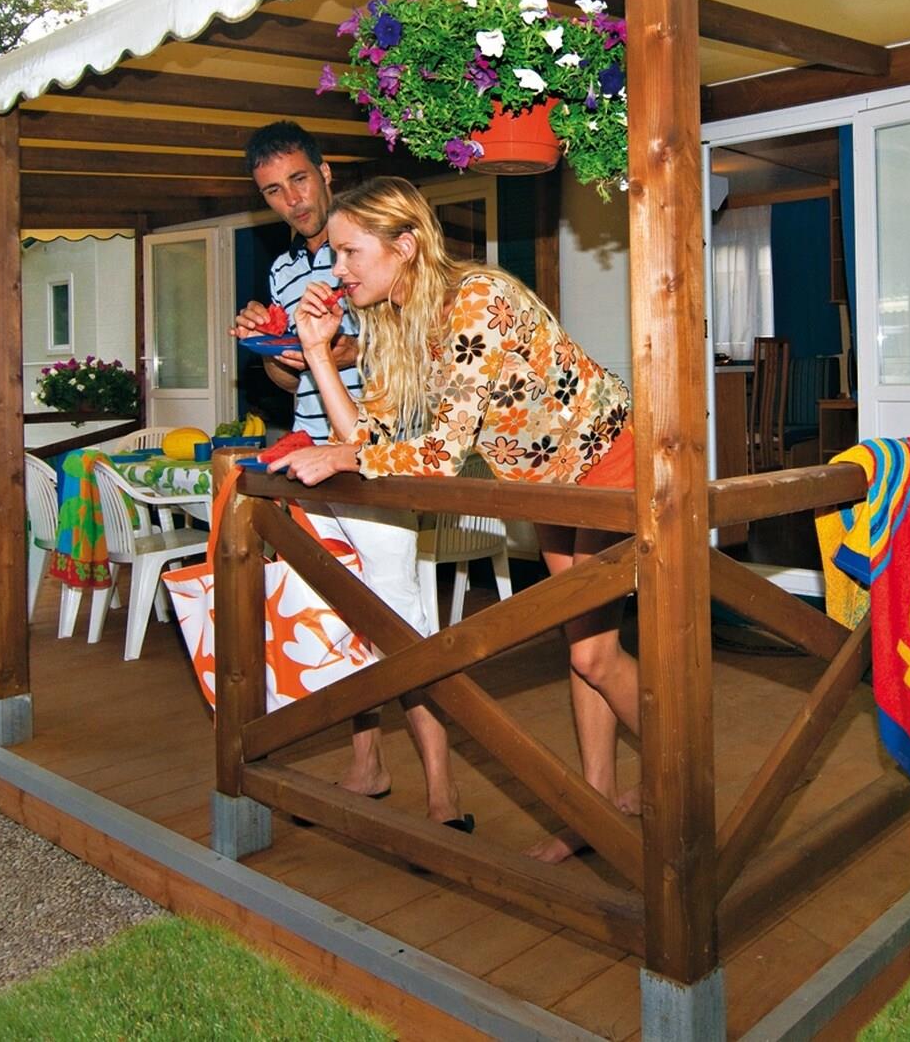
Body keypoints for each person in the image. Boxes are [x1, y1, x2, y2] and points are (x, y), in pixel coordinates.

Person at [272, 176, 640, 864]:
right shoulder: (391, 321)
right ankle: (597, 808)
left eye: (351, 252)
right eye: (336, 255)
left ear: (404, 246)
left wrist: (349, 454)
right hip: (544, 484)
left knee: (593, 653)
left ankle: (686, 783)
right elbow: (369, 438)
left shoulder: (476, 299)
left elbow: (439, 455)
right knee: (585, 648)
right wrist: (318, 351)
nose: (338, 268)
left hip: (607, 460)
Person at [230, 124, 466, 832]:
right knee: (340, 612)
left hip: (376, 457)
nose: (292, 199)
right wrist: (270, 346)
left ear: (326, 170)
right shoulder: (282, 269)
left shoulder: (371, 240)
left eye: (299, 179)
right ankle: (368, 765)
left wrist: (337, 348)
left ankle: (443, 792)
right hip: (313, 454)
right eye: (274, 190)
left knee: (400, 619)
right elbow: (288, 378)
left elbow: (400, 339)